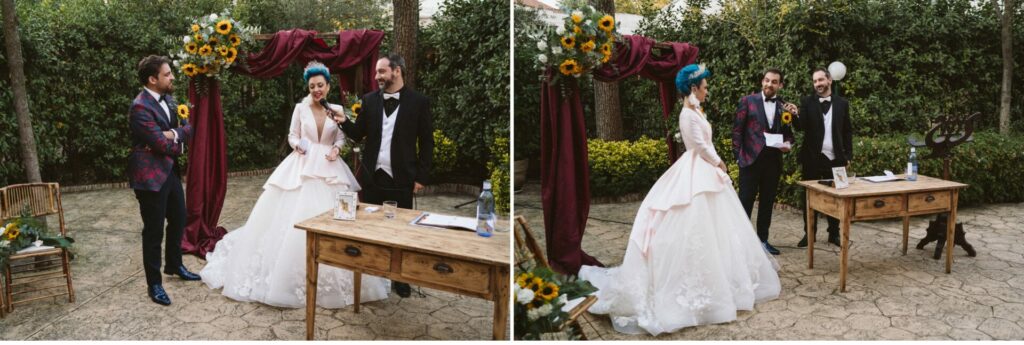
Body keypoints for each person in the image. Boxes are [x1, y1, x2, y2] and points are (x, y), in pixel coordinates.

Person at [578, 64, 781, 336]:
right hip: (697, 170)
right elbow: (699, 146)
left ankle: (719, 278)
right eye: (705, 87)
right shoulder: (687, 114)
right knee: (692, 220)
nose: (708, 90)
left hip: (704, 170)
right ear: (694, 88)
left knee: (717, 228)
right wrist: (720, 163)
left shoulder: (696, 109)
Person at [200, 61, 390, 308]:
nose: (316, 90)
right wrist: (297, 145)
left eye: (320, 85)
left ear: (328, 86)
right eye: (312, 86)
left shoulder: (337, 108)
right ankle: (286, 275)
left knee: (337, 220)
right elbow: (292, 135)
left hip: (330, 169)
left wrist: (335, 149)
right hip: (302, 164)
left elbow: (343, 135)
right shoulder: (300, 108)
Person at [334, 53, 433, 298]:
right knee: (371, 229)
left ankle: (400, 278)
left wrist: (421, 177)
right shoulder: (369, 101)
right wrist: (344, 121)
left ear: (396, 71)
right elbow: (358, 134)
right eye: (377, 72)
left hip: (402, 178)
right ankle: (372, 275)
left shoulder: (419, 102)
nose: (377, 76)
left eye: (381, 71)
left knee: (401, 231)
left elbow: (427, 143)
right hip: (372, 177)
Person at [128, 55, 198, 306]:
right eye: (167, 74)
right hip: (149, 178)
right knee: (154, 230)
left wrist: (173, 134)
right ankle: (154, 284)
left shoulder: (168, 99)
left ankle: (175, 265)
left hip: (169, 173)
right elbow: (158, 143)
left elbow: (188, 128)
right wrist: (174, 139)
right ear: (152, 79)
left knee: (179, 219)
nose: (172, 77)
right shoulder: (139, 107)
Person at [732, 68, 796, 255]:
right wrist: (738, 157)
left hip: (773, 163)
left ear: (780, 85)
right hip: (750, 162)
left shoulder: (784, 106)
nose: (769, 84)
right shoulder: (747, 101)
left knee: (767, 203)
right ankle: (739, 244)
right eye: (767, 80)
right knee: (745, 203)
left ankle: (763, 241)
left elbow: (789, 135)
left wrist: (788, 145)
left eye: (774, 81)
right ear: (762, 81)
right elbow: (737, 131)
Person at [795, 68, 854, 248]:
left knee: (837, 198)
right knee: (809, 198)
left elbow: (847, 131)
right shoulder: (807, 102)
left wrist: (848, 155)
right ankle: (809, 234)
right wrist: (795, 114)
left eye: (821, 80)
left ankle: (834, 234)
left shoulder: (842, 103)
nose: (818, 84)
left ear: (829, 80)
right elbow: (800, 127)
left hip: (836, 159)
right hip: (812, 158)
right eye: (815, 81)